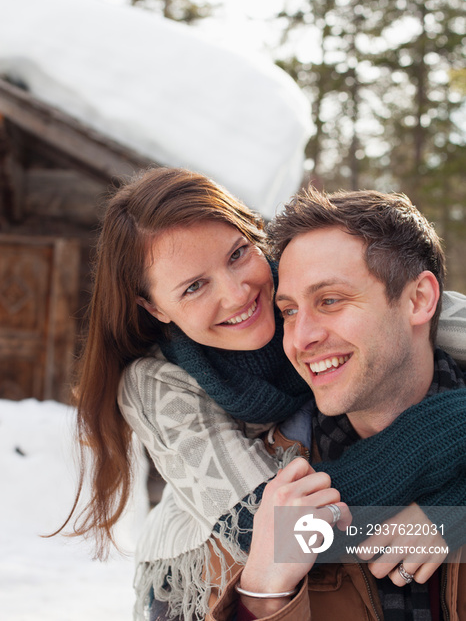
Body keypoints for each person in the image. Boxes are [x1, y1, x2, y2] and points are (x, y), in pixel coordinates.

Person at [63, 168, 466, 621]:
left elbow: (429, 308)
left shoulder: (305, 277)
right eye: (194, 286)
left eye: (237, 254)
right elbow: (275, 533)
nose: (238, 294)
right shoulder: (157, 383)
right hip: (211, 550)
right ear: (156, 308)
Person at [210, 187, 466, 621]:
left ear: (418, 299)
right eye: (289, 311)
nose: (300, 337)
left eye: (330, 300)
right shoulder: (260, 497)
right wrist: (262, 593)